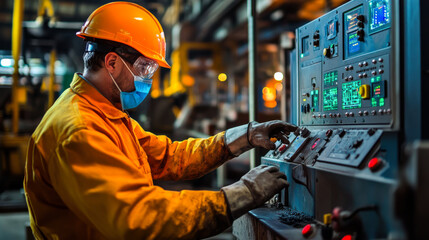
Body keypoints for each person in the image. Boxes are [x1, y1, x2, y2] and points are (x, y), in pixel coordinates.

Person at [24, 2, 297, 239]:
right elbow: (139, 219)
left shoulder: (104, 113)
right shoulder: (79, 130)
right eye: (145, 68)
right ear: (111, 63)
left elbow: (169, 156)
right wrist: (242, 193)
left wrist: (246, 135)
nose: (148, 79)